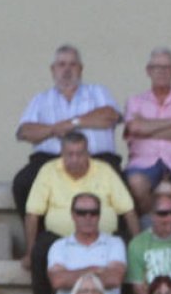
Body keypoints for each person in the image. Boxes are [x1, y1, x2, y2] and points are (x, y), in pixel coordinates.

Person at [22, 133, 138, 294]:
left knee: (125, 248)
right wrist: (29, 251)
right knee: (39, 251)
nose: (74, 159)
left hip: (103, 237)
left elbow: (128, 210)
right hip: (59, 238)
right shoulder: (49, 171)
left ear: (88, 154)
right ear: (61, 154)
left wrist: (138, 245)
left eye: (79, 154)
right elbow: (32, 214)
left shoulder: (104, 170)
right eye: (69, 154)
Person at [14, 45, 122, 216]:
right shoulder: (41, 99)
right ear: (53, 69)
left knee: (123, 186)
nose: (67, 70)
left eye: (72, 64)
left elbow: (110, 116)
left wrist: (73, 122)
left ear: (81, 69)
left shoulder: (97, 92)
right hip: (49, 160)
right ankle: (38, 238)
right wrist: (54, 129)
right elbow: (24, 132)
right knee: (22, 183)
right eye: (61, 64)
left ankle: (117, 239)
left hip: (97, 158)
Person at [30, 192, 133, 294]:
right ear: (73, 215)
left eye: (93, 212)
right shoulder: (59, 245)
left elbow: (114, 278)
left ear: (99, 215)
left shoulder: (114, 243)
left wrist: (71, 275)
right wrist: (95, 270)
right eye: (81, 212)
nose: (88, 217)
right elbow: (57, 281)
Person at [122, 47, 171, 213]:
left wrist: (147, 127)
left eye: (167, 68)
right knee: (136, 183)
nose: (162, 72)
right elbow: (135, 127)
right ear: (148, 71)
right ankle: (153, 222)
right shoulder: (135, 101)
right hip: (144, 161)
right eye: (157, 67)